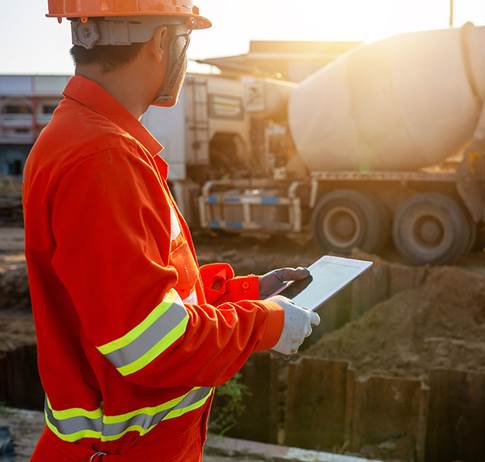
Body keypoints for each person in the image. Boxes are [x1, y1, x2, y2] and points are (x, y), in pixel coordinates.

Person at [23, 2, 319, 460]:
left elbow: (131, 301)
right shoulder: (102, 157)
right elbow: (150, 344)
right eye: (185, 37)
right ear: (163, 40)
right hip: (126, 451)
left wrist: (242, 294)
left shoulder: (86, 137)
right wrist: (266, 323)